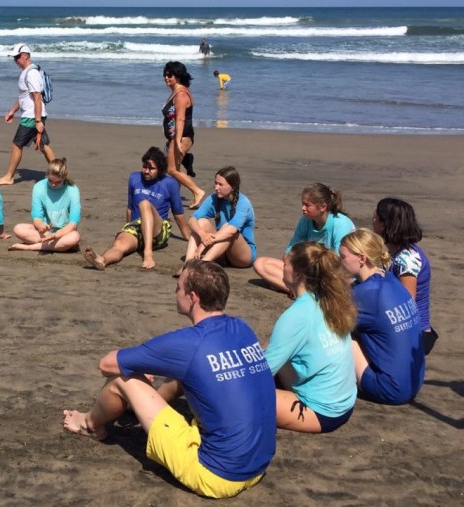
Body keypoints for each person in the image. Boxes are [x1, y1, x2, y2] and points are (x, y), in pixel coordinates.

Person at [62, 260, 276, 498]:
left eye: (179, 286)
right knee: (189, 375)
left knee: (123, 377)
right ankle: (135, 408)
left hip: (217, 475)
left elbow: (106, 364)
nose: (175, 291)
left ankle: (89, 424)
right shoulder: (241, 328)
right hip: (259, 465)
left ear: (192, 297)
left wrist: (138, 369)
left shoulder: (189, 343)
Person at [263, 241, 357, 433]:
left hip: (321, 412)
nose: (282, 266)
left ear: (297, 273)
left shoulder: (297, 315)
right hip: (343, 401)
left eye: (286, 263)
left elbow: (261, 372)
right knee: (269, 347)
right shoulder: (329, 300)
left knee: (235, 398)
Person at [340, 229, 425, 405]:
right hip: (414, 382)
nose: (339, 262)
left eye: (343, 257)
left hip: (389, 389)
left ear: (362, 259)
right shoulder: (391, 279)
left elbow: (324, 320)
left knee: (338, 333)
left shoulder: (365, 294)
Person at [83, 147, 188, 271]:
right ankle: (102, 260)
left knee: (144, 203)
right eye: (145, 167)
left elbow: (178, 214)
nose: (146, 171)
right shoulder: (134, 178)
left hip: (158, 229)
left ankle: (148, 253)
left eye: (151, 168)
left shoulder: (170, 183)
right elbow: (130, 208)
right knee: (119, 245)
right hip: (137, 226)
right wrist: (127, 229)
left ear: (160, 170)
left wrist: (189, 237)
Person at [252, 183, 354, 294]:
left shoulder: (341, 224)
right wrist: (289, 271)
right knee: (261, 264)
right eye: (302, 204)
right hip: (310, 273)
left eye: (307, 205)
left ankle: (301, 291)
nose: (303, 208)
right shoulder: (306, 220)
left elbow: (342, 264)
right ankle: (304, 291)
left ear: (323, 207)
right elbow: (290, 251)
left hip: (334, 275)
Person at [373, 198, 437, 355]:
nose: (373, 218)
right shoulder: (393, 251)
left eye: (376, 216)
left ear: (384, 224)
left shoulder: (407, 260)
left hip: (413, 333)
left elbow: (405, 304)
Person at [0, 43, 55, 185]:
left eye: (17, 57)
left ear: (26, 56)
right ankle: (59, 173)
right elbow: (23, 97)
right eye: (14, 57)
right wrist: (12, 111)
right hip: (34, 116)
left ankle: (9, 177)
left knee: (17, 145)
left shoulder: (32, 73)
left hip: (31, 117)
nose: (15, 60)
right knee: (44, 146)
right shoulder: (27, 72)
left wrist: (37, 121)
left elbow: (36, 97)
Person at [183, 166, 256, 270]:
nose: (216, 187)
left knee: (228, 227)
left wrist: (204, 244)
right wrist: (202, 235)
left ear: (233, 187)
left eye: (220, 184)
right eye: (215, 183)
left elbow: (231, 230)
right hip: (220, 250)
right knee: (201, 222)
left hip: (242, 255)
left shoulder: (243, 202)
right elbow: (191, 220)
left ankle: (202, 264)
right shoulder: (213, 198)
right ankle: (188, 265)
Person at [9, 157, 81, 252]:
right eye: (50, 181)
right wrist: (41, 227)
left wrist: (56, 235)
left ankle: (29, 247)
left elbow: (73, 223)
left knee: (74, 237)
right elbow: (37, 217)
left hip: (64, 232)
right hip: (45, 232)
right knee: (18, 229)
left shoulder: (72, 189)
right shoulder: (39, 187)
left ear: (64, 178)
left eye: (58, 182)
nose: (53, 185)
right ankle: (55, 246)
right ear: (47, 175)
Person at [162, 61, 205, 207]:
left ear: (178, 76)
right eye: (165, 75)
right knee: (176, 169)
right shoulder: (176, 92)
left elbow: (180, 119)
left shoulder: (181, 94)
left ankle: (197, 191)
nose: (166, 78)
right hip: (176, 137)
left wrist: (178, 141)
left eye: (169, 75)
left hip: (182, 137)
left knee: (171, 169)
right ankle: (174, 197)